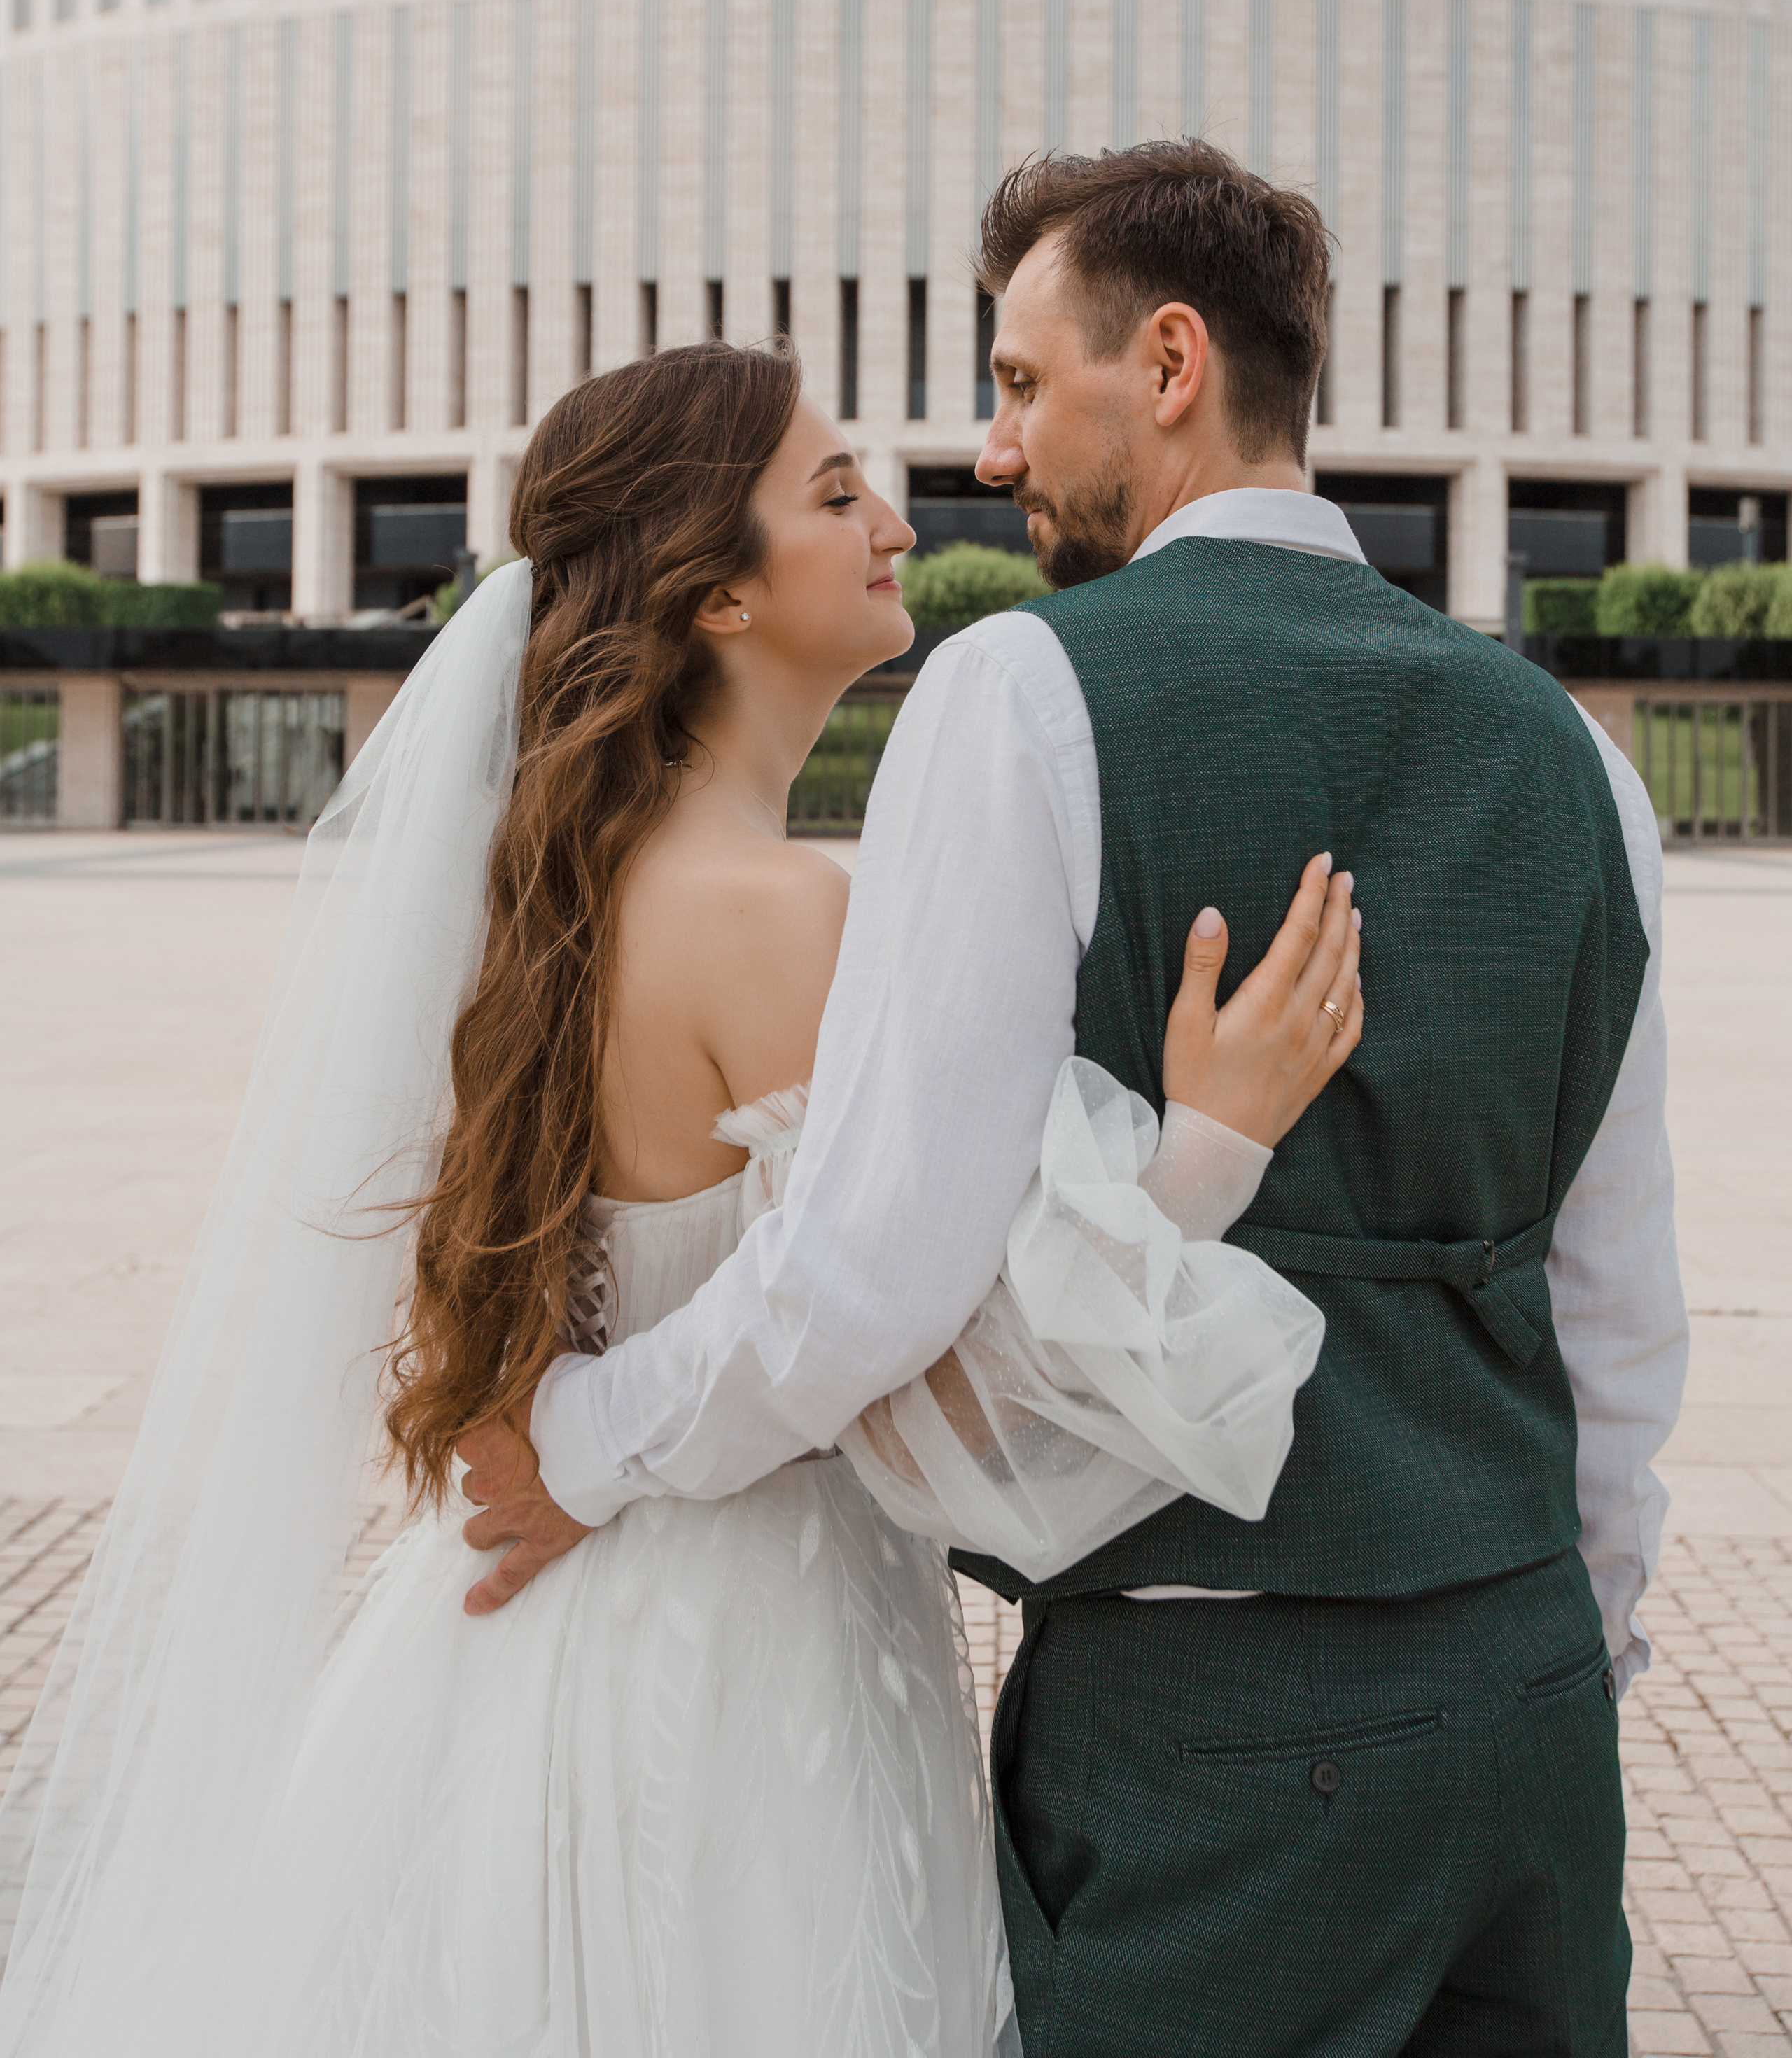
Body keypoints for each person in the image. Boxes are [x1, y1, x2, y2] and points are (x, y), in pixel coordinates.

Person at [0, 336, 1362, 2058]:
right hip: (743, 1684)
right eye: (831, 490)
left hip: (507, 1643)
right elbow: (938, 1353)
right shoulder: (779, 913)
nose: (895, 516)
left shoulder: (555, 898)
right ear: (716, 596)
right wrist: (1210, 1148)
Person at [518, 141, 1688, 2058]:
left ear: (1164, 363)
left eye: (1017, 381)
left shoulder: (1021, 697)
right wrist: (1563, 1646)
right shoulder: (1570, 749)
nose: (988, 456)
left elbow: (867, 1277)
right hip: (1533, 1703)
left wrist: (582, 1443)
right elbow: (1618, 1302)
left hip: (1212, 1738)